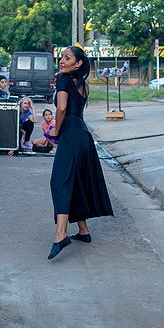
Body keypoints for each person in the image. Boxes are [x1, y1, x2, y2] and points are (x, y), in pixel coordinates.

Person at [47, 46, 113, 260]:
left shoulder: (63, 80)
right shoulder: (84, 85)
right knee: (75, 181)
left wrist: (55, 130)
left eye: (67, 58)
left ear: (78, 64)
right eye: (62, 57)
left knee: (59, 182)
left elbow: (63, 108)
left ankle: (61, 234)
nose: (62, 61)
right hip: (84, 135)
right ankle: (83, 231)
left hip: (71, 133)